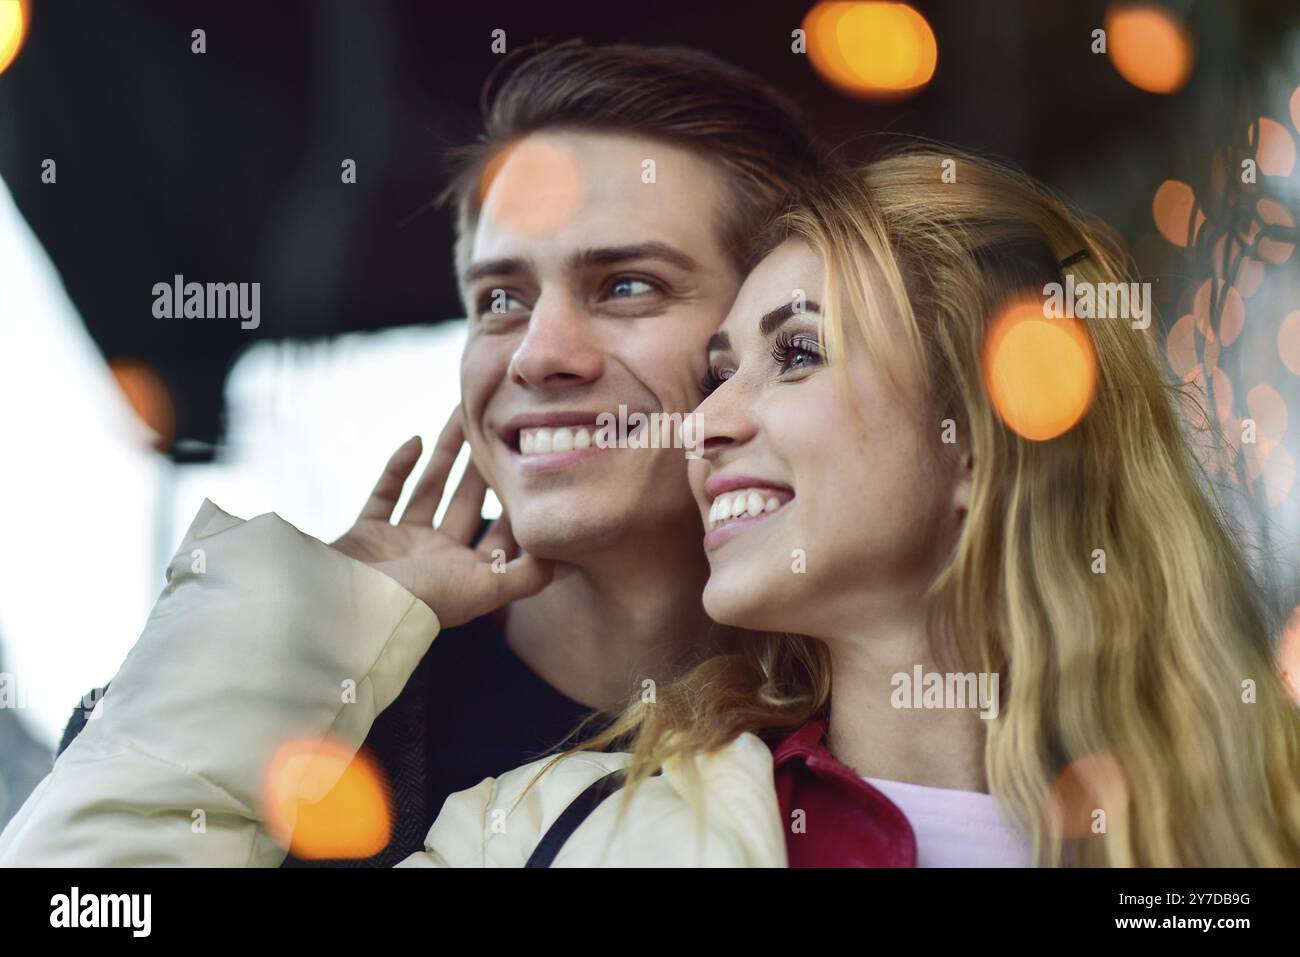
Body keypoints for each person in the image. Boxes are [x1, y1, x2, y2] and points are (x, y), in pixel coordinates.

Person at [12, 146, 1298, 868]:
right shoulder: (561, 834)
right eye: (724, 366)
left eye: (790, 356)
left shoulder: (1237, 827)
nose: (713, 417)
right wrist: (294, 612)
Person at [33, 41, 823, 867]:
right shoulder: (297, 714)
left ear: (771, 328)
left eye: (627, 285)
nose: (534, 354)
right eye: (500, 301)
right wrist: (303, 622)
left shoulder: (879, 718)